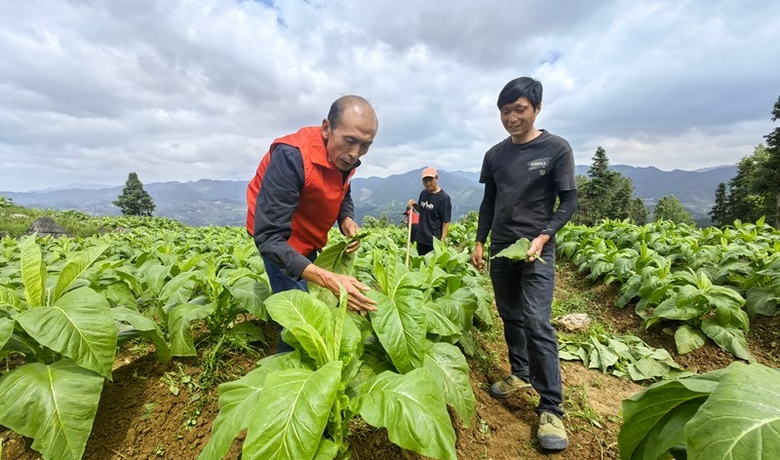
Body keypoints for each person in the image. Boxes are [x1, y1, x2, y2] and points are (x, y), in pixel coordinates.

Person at [470, 77, 578, 451]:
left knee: (536, 321)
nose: (512, 117)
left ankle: (551, 408)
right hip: (502, 248)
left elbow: (568, 200)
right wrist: (480, 241)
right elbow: (489, 203)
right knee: (511, 315)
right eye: (505, 111)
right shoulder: (495, 155)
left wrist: (544, 235)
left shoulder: (556, 148)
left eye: (519, 110)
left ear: (536, 110)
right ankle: (520, 372)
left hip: (536, 249)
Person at [246, 95, 379, 351]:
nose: (355, 154)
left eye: (365, 145)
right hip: (280, 239)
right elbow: (269, 239)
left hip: (309, 233)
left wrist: (346, 218)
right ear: (327, 128)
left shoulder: (342, 157)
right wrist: (329, 279)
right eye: (350, 141)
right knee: (299, 318)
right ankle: (286, 373)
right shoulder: (291, 157)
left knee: (313, 300)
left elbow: (343, 191)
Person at [412, 167, 452, 256]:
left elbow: (446, 221)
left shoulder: (444, 198)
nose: (428, 183)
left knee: (432, 266)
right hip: (421, 238)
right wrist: (414, 205)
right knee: (421, 264)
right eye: (425, 181)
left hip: (433, 240)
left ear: (436, 178)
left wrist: (443, 239)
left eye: (430, 180)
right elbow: (422, 210)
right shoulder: (423, 193)